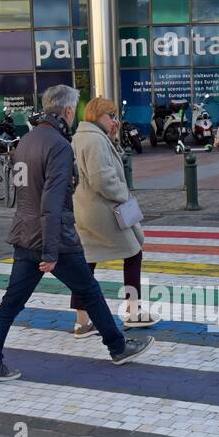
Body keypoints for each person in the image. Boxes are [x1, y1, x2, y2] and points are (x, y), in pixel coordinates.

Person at [0, 84, 154, 382]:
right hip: (55, 238)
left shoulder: (26, 141)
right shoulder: (59, 145)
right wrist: (49, 251)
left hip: (25, 234)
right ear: (68, 110)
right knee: (90, 291)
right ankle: (118, 347)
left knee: (11, 302)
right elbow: (53, 200)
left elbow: (22, 196)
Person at [69, 96, 158, 336]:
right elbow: (102, 178)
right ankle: (133, 311)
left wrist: (112, 138)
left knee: (86, 263)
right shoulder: (95, 140)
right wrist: (124, 194)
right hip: (104, 210)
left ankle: (82, 320)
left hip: (85, 208)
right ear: (98, 115)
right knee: (133, 252)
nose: (114, 120)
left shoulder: (82, 136)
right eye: (111, 116)